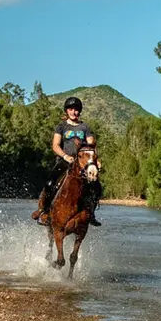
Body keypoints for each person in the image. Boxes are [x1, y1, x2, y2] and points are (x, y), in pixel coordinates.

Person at [33, 97, 103, 226]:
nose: (74, 112)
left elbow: (91, 145)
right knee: (49, 184)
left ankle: (91, 213)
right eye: (71, 109)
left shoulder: (85, 127)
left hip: (82, 163)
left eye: (76, 110)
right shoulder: (61, 126)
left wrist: (95, 161)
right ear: (67, 111)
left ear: (79, 111)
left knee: (96, 186)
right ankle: (44, 211)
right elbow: (55, 145)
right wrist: (65, 156)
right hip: (64, 161)